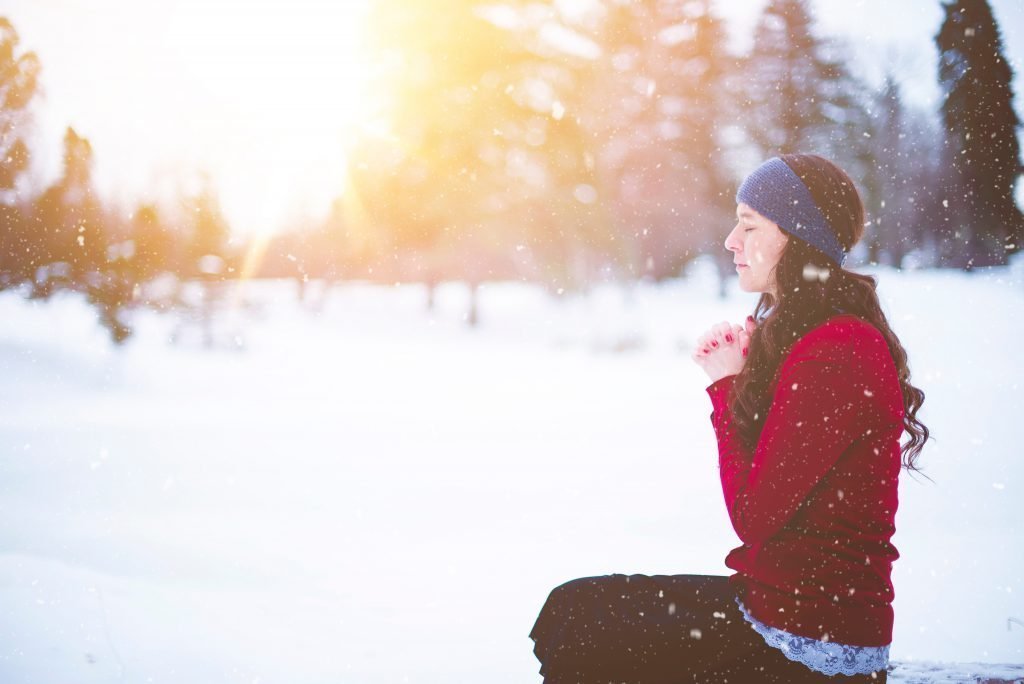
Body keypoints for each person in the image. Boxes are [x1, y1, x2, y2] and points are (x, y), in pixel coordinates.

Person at [527, 154, 930, 683]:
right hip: (775, 612)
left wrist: (725, 387)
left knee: (584, 630)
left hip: (810, 645)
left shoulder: (838, 349)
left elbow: (754, 514)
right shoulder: (813, 338)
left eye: (749, 224)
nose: (731, 241)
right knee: (569, 611)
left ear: (797, 236)